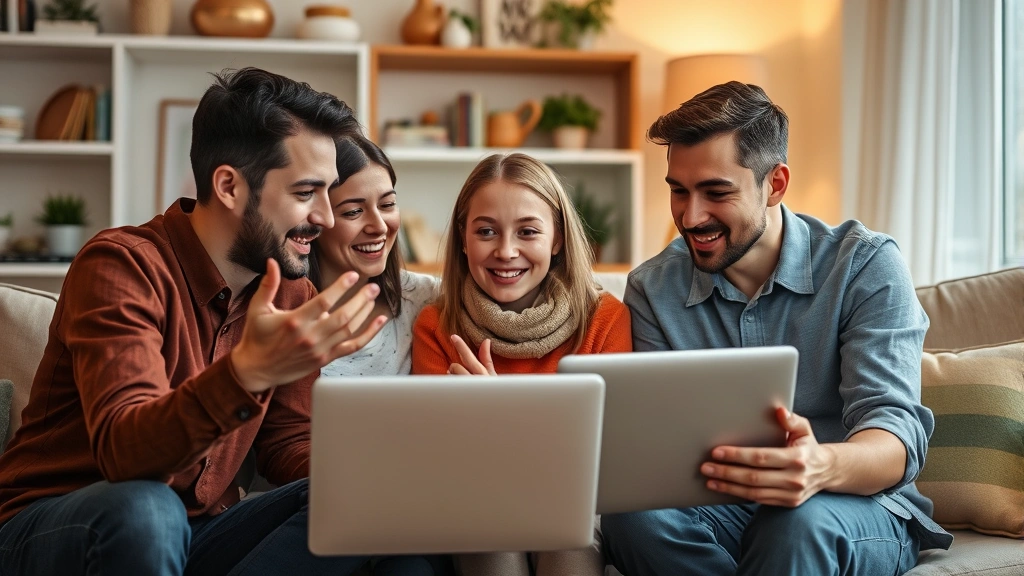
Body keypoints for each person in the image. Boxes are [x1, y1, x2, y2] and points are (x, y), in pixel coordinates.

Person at [0, 67, 413, 575]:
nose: (326, 217)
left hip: (197, 535)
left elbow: (287, 441)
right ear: (229, 186)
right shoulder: (122, 265)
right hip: (60, 526)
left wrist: (380, 477)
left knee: (379, 506)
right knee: (148, 510)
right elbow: (126, 457)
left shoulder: (289, 291)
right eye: (307, 192)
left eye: (329, 193)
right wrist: (247, 375)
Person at [599, 81, 953, 576]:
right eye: (678, 190)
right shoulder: (653, 288)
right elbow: (657, 445)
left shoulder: (864, 265)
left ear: (776, 184)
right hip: (724, 505)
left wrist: (818, 466)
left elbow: (895, 435)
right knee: (631, 518)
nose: (690, 215)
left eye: (716, 192)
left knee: (796, 521)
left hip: (854, 504)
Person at [412, 152, 632, 576]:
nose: (506, 251)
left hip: (575, 505)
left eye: (527, 231)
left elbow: (609, 456)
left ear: (557, 239)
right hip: (480, 501)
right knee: (491, 541)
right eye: (486, 231)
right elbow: (444, 461)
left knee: (569, 545)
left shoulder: (605, 320)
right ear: (463, 237)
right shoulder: (437, 326)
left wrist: (501, 416)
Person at [310, 133, 438, 379]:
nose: (379, 226)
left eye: (387, 205)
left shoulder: (427, 298)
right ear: (316, 219)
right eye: (353, 211)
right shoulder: (282, 318)